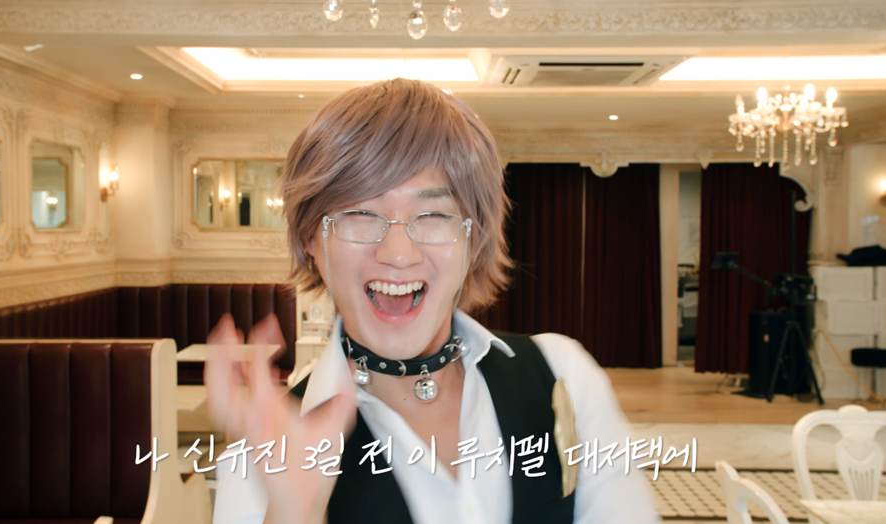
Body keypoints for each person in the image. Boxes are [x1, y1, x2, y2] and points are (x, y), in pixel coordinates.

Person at [207, 78, 660, 524]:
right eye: (360, 213)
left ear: (473, 238)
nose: (398, 253)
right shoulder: (264, 448)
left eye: (433, 214)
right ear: (311, 238)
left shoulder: (562, 375)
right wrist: (295, 512)